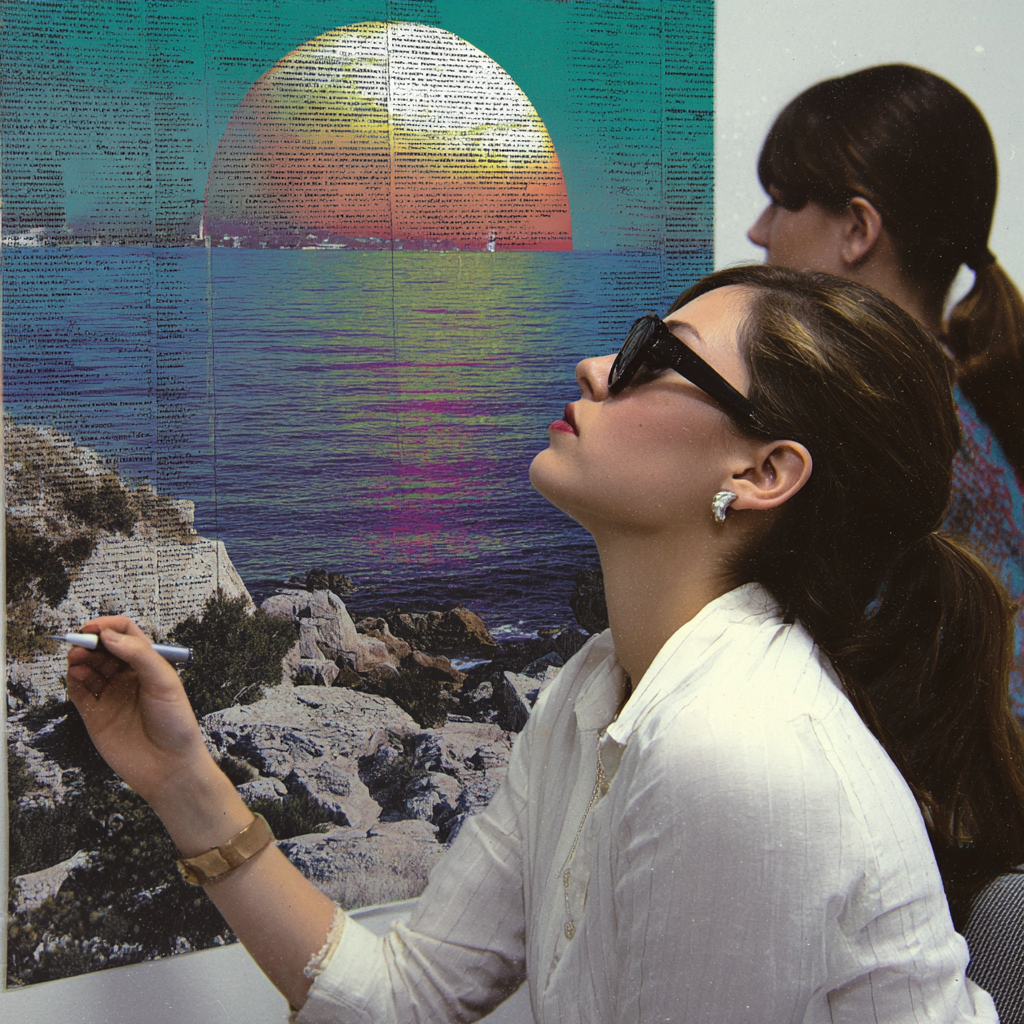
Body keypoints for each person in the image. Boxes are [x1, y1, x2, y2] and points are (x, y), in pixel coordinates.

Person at [66, 265, 1024, 1022]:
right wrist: (179, 777)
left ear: (763, 471)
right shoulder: (596, 685)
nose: (598, 369)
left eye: (659, 354)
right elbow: (404, 998)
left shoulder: (739, 751)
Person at [746, 63, 1024, 721]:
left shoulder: (877, 420)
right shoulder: (946, 399)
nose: (759, 231)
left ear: (858, 230)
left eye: (783, 201)